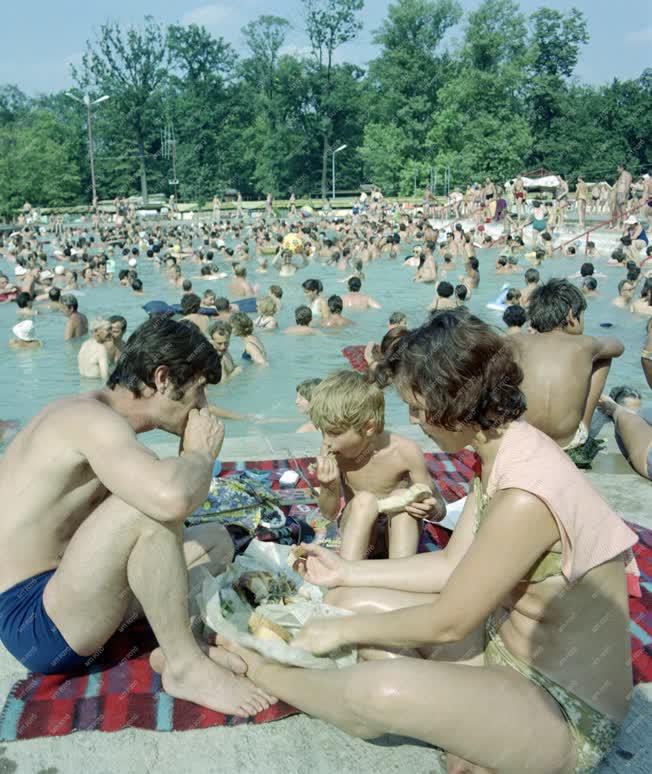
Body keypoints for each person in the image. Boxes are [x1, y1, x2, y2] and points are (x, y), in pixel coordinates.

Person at [213, 308, 636, 774]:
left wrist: (338, 630)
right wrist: (346, 570)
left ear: (454, 400)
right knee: (349, 599)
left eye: (417, 407)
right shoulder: (502, 451)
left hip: (562, 707)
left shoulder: (526, 492)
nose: (414, 420)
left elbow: (449, 623)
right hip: (496, 650)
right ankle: (474, 729)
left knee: (381, 690)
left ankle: (258, 670)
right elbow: (452, 566)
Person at [0, 317, 273, 716]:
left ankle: (176, 642)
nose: (203, 408)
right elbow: (169, 500)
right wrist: (198, 455)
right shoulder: (89, 420)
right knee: (148, 508)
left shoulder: (107, 423)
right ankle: (185, 666)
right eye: (198, 392)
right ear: (162, 379)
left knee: (216, 539)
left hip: (72, 593)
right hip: (36, 620)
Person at [308, 370, 444, 560]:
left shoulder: (405, 451)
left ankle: (399, 574)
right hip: (359, 531)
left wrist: (430, 508)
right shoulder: (334, 454)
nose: (326, 442)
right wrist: (328, 485)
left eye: (334, 433)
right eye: (323, 432)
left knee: (402, 498)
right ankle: (349, 574)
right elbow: (329, 514)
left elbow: (439, 510)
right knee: (364, 501)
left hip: (399, 535)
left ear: (369, 427)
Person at [511, 279, 624, 454]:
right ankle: (584, 424)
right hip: (567, 441)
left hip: (523, 437)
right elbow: (618, 347)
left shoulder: (518, 341)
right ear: (572, 315)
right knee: (604, 358)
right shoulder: (586, 344)